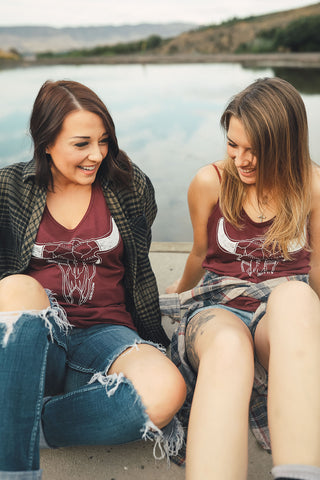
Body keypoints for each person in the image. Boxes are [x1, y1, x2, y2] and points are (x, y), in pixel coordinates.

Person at [0, 79, 186, 479]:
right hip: (36, 338)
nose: (97, 155)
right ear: (46, 142)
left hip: (107, 333)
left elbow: (138, 257)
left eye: (103, 141)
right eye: (81, 144)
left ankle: (28, 423)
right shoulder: (9, 187)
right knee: (17, 286)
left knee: (167, 389)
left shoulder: (128, 185)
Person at [164, 77, 320, 480]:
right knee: (231, 348)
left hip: (281, 316)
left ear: (285, 144)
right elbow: (200, 252)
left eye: (255, 149)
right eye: (233, 144)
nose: (241, 160)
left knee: (297, 299)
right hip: (218, 308)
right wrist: (178, 292)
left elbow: (316, 266)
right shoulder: (209, 182)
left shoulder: (313, 186)